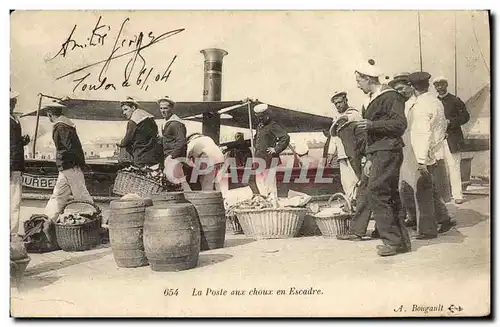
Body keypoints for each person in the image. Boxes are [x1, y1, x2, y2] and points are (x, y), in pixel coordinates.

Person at [348, 59, 411, 256]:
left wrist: (372, 125)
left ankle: (392, 241)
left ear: (368, 79)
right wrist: (368, 157)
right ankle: (399, 241)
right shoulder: (373, 99)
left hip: (388, 150)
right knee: (389, 194)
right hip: (378, 151)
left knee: (377, 191)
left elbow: (400, 124)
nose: (358, 85)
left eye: (359, 80)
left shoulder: (390, 97)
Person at [404, 72, 455, 239]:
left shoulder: (420, 106)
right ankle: (444, 218)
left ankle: (427, 230)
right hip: (435, 150)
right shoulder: (436, 101)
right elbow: (441, 128)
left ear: (413, 87)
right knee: (431, 189)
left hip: (423, 153)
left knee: (422, 191)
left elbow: (423, 133)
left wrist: (420, 160)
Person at [44, 101, 94, 222]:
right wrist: (81, 163)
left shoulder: (60, 126)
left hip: (68, 166)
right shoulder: (67, 125)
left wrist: (71, 161)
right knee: (60, 195)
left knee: (78, 195)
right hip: (69, 166)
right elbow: (74, 147)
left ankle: (45, 221)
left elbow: (68, 148)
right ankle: (46, 221)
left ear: (50, 113)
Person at [433, 76, 470, 204]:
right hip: (438, 140)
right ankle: (443, 196)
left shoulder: (455, 100)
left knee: (454, 167)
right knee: (439, 168)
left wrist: (451, 122)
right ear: (434, 87)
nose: (440, 87)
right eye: (437, 85)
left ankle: (457, 195)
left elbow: (465, 116)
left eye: (442, 84)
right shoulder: (433, 102)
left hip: (453, 139)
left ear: (446, 85)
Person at [329, 91, 363, 199]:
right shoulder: (336, 118)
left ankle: (359, 203)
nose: (338, 105)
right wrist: (330, 153)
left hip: (354, 152)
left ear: (345, 100)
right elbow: (333, 138)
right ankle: (351, 204)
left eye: (340, 102)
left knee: (357, 179)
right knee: (346, 182)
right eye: (336, 104)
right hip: (342, 154)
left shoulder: (354, 114)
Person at [253, 103, 290, 201]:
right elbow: (257, 139)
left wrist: (276, 149)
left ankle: (272, 203)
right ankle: (264, 202)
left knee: (270, 185)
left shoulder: (273, 125)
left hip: (269, 159)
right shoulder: (260, 126)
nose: (260, 119)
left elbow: (285, 137)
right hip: (259, 159)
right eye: (258, 118)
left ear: (267, 115)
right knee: (261, 183)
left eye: (261, 117)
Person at [117, 97, 163, 168]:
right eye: (123, 111)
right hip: (154, 155)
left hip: (141, 156)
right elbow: (156, 133)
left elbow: (126, 141)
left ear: (133, 108)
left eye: (126, 109)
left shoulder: (133, 121)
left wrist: (120, 143)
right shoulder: (149, 118)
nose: (124, 113)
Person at [157, 96, 191, 191]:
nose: (163, 111)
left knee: (181, 182)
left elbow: (182, 141)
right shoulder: (167, 123)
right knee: (177, 182)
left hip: (174, 159)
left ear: (171, 108)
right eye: (161, 108)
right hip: (170, 158)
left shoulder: (175, 123)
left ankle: (192, 200)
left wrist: (171, 156)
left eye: (165, 108)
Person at [10, 90, 30, 240]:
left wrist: (22, 141)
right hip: (12, 166)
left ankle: (11, 232)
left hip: (15, 165)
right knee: (13, 200)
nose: (13, 103)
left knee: (14, 201)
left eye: (14, 100)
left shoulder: (14, 120)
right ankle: (11, 233)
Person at [186, 133, 228, 198]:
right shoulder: (208, 138)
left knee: (206, 185)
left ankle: (208, 203)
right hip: (221, 158)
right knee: (217, 183)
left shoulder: (191, 143)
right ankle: (221, 200)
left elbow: (186, 159)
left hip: (207, 159)